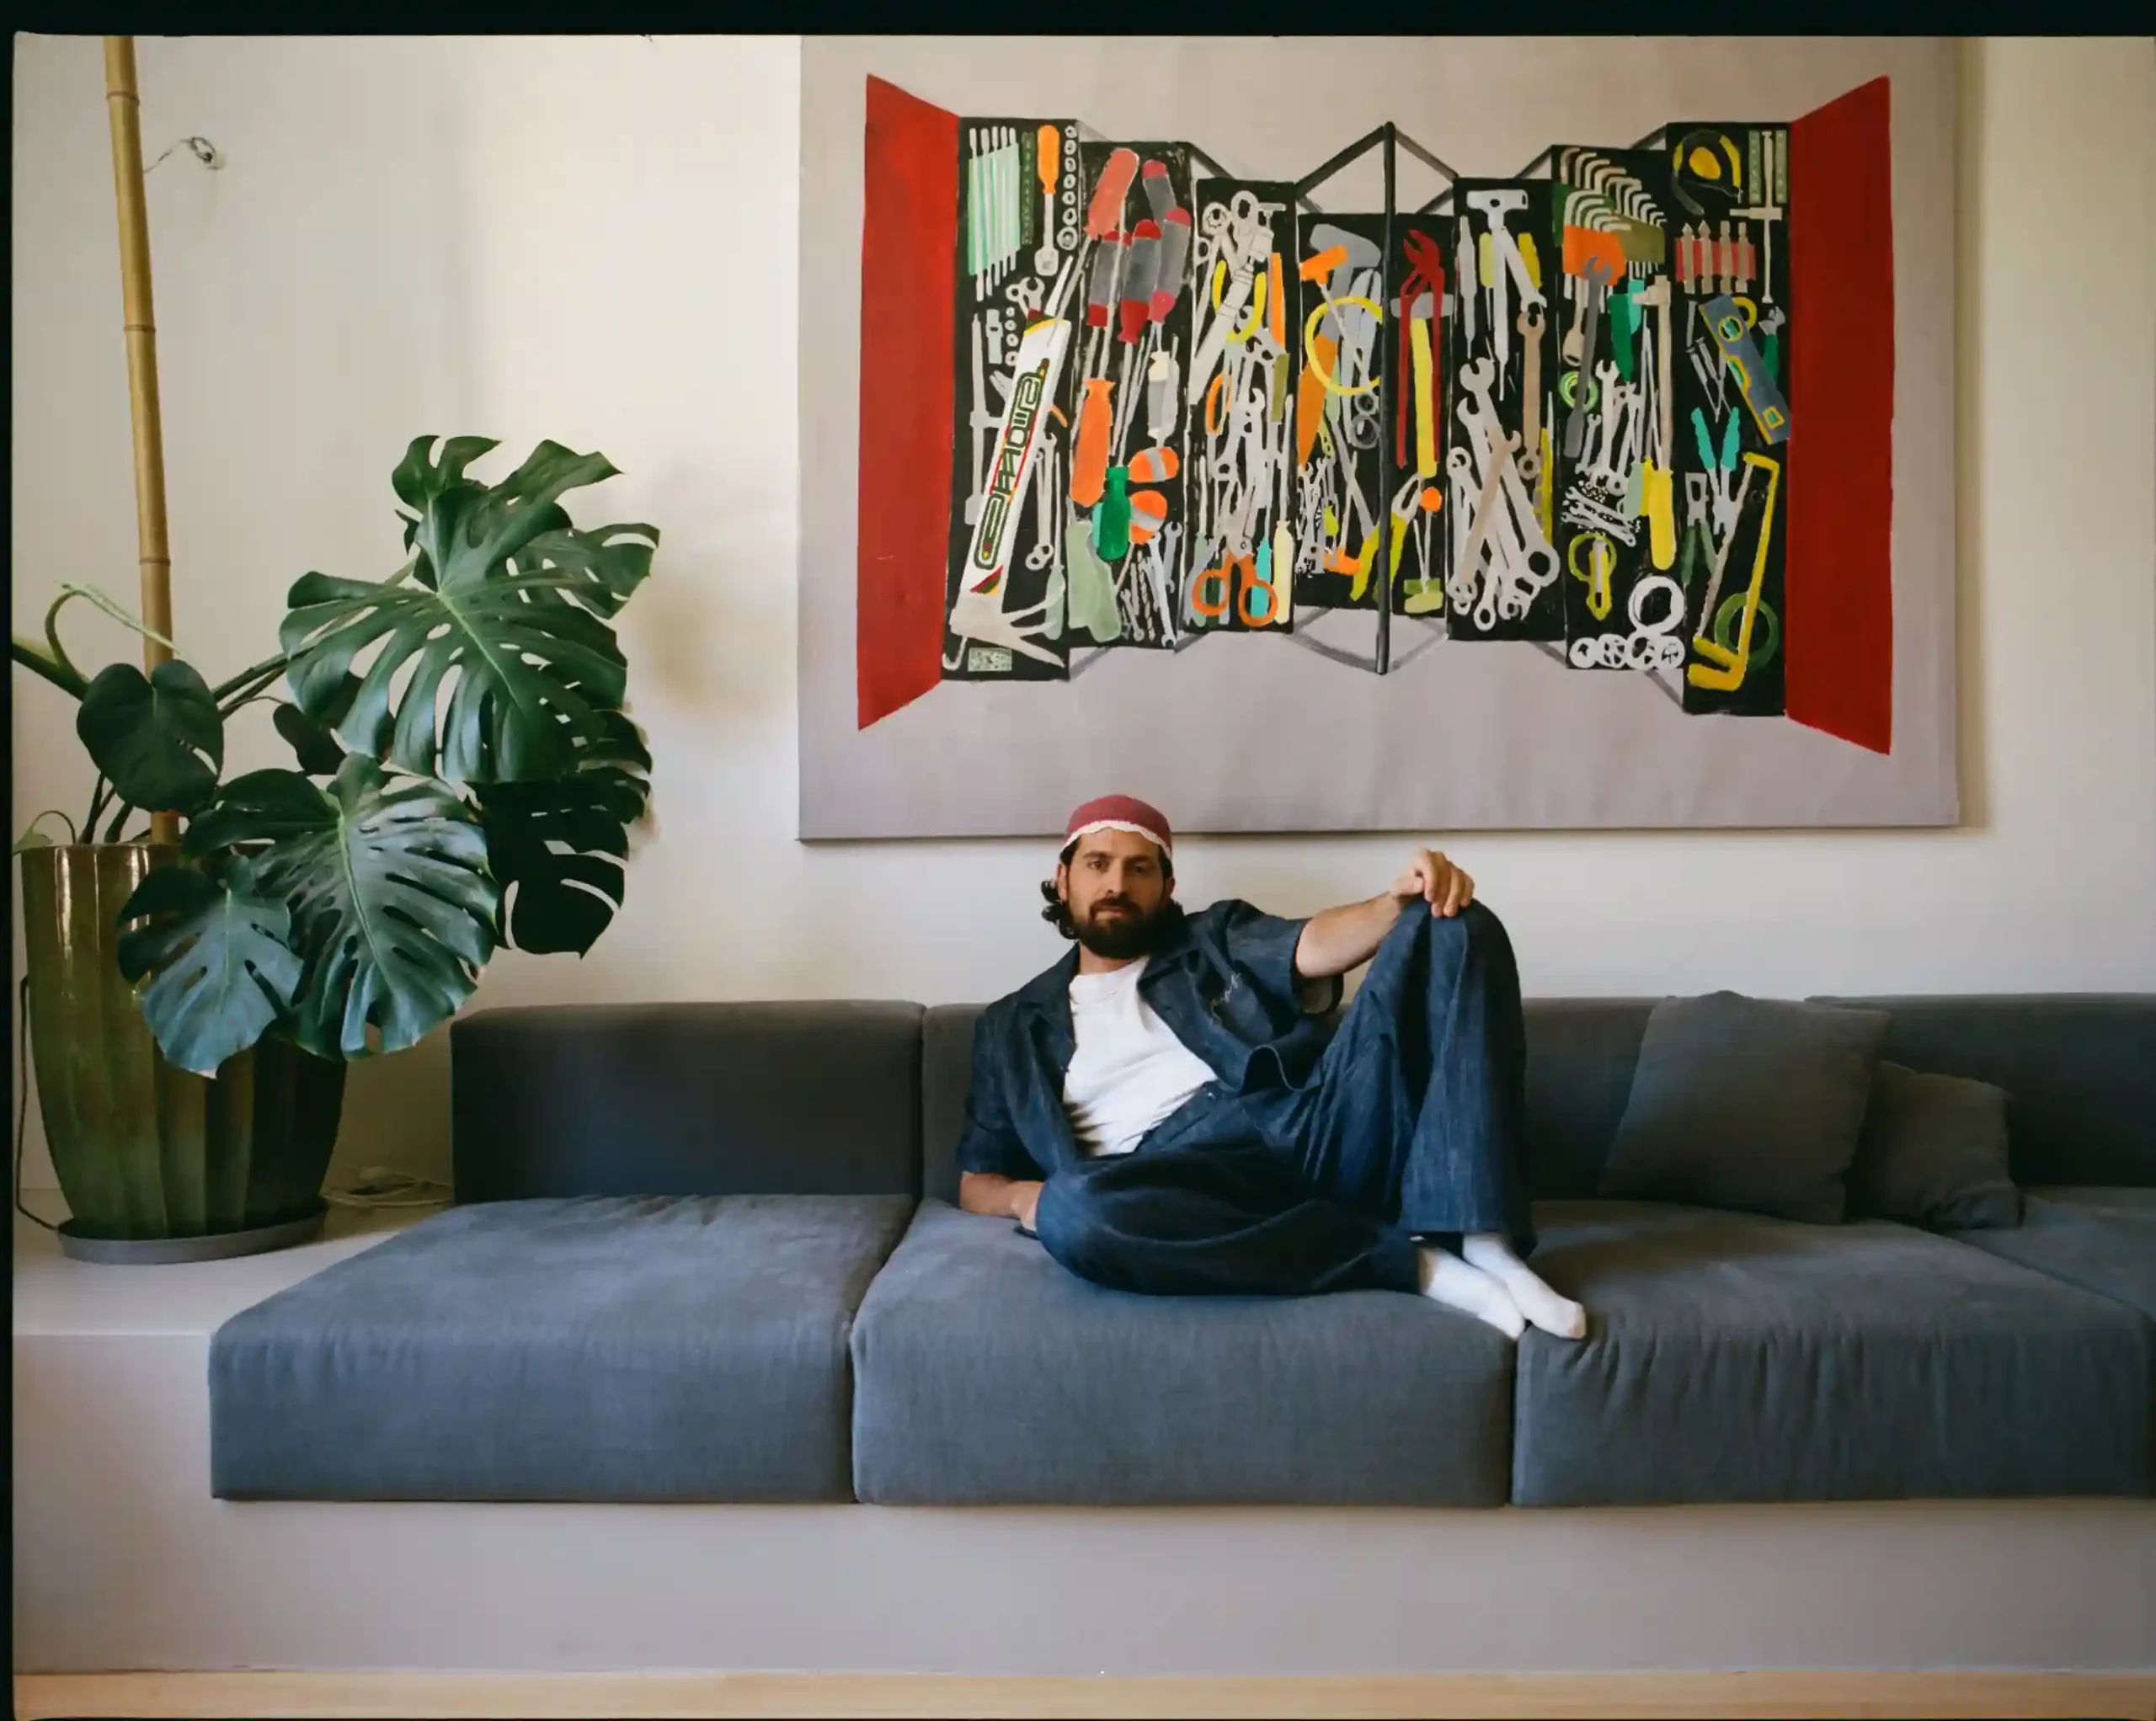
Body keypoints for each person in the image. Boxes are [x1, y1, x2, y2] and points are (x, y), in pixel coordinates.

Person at [954, 793, 1586, 1340]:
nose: (1116, 884)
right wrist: (1027, 1197)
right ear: (1063, 879)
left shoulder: (1213, 938)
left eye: (1139, 867)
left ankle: (1483, 1239)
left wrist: (1397, 901)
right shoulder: (1010, 1027)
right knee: (1070, 1211)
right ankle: (1412, 1263)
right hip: (1172, 1185)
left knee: (1451, 920)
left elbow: (1312, 945)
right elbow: (978, 1179)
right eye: (1097, 864)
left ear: (1166, 887)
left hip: (1303, 1127)